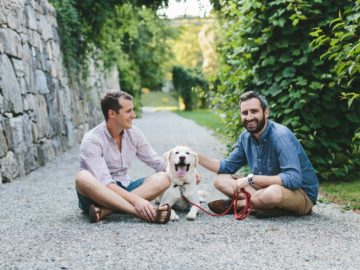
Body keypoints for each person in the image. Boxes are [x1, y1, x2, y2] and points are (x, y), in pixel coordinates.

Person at [199, 91, 318, 217]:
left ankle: (236, 205)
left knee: (271, 193)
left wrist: (251, 179)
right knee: (220, 180)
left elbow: (293, 179)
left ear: (266, 112)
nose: (249, 117)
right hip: (263, 190)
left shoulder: (281, 136)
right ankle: (264, 206)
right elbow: (226, 167)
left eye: (254, 111)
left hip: (299, 194)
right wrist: (195, 157)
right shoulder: (245, 137)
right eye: (245, 113)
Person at [75, 90, 171, 224]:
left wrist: (185, 173)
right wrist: (137, 201)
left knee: (164, 178)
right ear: (112, 114)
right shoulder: (92, 140)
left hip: (125, 188)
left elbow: (157, 163)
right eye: (128, 111)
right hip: (97, 193)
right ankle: (140, 212)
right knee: (82, 177)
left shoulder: (134, 133)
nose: (134, 115)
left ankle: (104, 211)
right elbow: (106, 183)